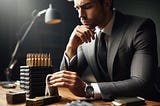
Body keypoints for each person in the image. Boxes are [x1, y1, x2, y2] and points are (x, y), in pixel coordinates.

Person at [49, 0, 160, 101]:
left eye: (87, 7)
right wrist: (71, 47)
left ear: (107, 3)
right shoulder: (86, 34)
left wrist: (89, 89)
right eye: (77, 8)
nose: (81, 15)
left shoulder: (140, 28)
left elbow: (142, 83)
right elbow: (67, 79)